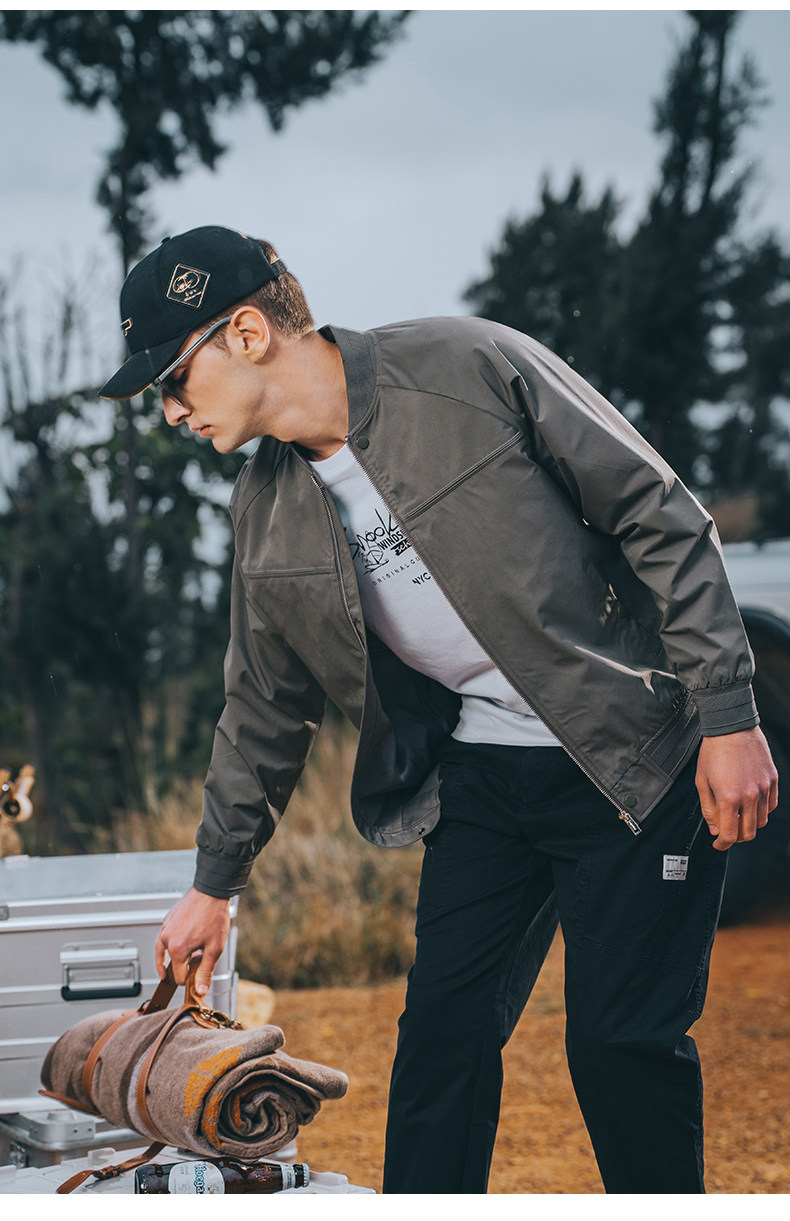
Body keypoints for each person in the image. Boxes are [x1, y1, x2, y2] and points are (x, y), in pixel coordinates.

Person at [100, 225, 778, 1195]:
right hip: (485, 781)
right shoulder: (264, 505)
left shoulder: (466, 368)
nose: (170, 410)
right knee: (440, 1046)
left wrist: (728, 715)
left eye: (173, 378)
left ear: (247, 333)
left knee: (618, 1043)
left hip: (631, 755)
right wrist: (215, 882)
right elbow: (264, 705)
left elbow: (657, 512)